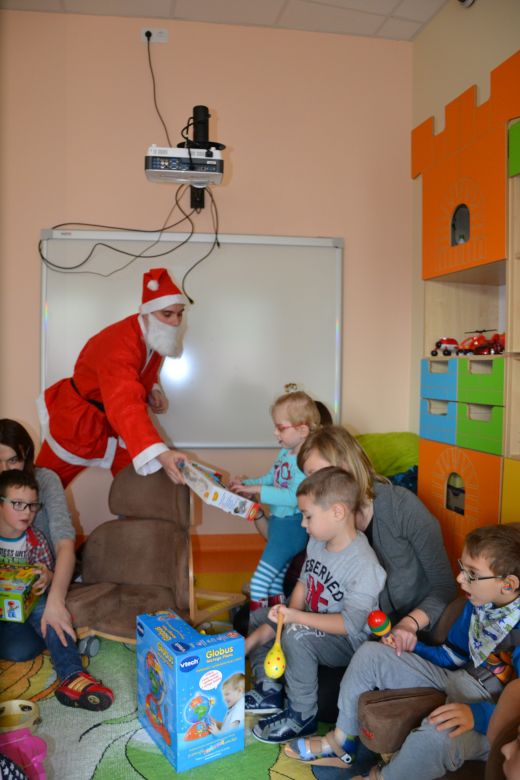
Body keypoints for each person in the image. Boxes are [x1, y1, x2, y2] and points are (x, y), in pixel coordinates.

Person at [286, 523, 520, 777]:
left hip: (496, 721)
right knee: (370, 654)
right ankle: (341, 744)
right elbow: (452, 656)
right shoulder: (477, 607)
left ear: (508, 584)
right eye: (462, 568)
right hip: (458, 679)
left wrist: (478, 715)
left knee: (437, 736)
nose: (460, 579)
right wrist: (412, 646)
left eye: (472, 574)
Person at [246, 467, 387, 745]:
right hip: (311, 622)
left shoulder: (364, 565)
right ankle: (268, 687)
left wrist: (295, 619)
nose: (303, 524)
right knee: (262, 616)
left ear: (337, 512)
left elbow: (349, 625)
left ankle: (302, 715)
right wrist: (287, 613)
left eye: (308, 516)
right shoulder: (318, 542)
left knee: (296, 634)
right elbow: (304, 582)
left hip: (345, 642)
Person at [297, 426, 457, 651]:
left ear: (345, 466)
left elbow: (444, 586)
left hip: (410, 632)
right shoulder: (324, 520)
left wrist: (409, 624)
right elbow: (312, 579)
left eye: (316, 474)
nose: (311, 486)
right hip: (357, 633)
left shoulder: (401, 507)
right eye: (308, 477)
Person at [35, 267, 189, 487]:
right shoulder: (120, 343)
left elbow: (143, 370)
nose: (175, 321)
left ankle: (138, 509)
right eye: (168, 314)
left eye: (179, 313)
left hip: (116, 426)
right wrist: (162, 454)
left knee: (140, 487)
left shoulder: (154, 333)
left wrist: (153, 389)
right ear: (148, 312)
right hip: (80, 421)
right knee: (41, 487)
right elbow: (124, 399)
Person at [0, 470, 113, 710]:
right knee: (20, 650)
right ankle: (62, 640)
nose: (27, 512)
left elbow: (51, 577)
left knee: (42, 618)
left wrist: (47, 577)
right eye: (18, 504)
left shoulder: (37, 540)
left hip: (28, 607)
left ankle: (72, 675)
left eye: (32, 506)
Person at [230, 391, 321, 611]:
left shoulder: (307, 461)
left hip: (291, 528)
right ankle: (274, 624)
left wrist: (257, 489)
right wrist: (246, 484)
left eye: (281, 428)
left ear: (302, 430)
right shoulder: (285, 452)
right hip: (280, 525)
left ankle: (256, 627)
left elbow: (293, 497)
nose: (275, 432)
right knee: (273, 586)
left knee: (259, 583)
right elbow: (270, 478)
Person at [0, 419, 76, 651]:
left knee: (21, 648)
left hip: (38, 580)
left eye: (13, 460)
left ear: (26, 454)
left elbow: (65, 544)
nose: (4, 470)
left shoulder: (46, 481)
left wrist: (56, 601)